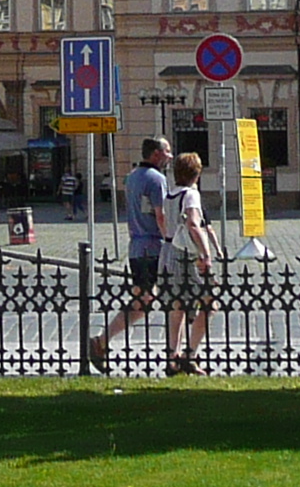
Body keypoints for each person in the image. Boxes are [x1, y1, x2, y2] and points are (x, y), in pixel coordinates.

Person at [83, 138, 175, 372]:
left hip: (136, 245)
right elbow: (160, 214)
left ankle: (102, 342)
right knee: (149, 300)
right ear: (155, 154)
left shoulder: (132, 176)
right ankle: (101, 342)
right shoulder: (157, 179)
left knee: (146, 300)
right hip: (152, 246)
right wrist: (170, 241)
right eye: (167, 152)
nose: (170, 157)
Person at [164, 152, 220, 375]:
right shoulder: (190, 195)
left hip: (172, 252)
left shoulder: (170, 194)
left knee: (177, 305)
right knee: (209, 304)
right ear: (196, 174)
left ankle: (172, 357)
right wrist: (206, 254)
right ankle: (190, 354)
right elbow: (194, 225)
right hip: (190, 256)